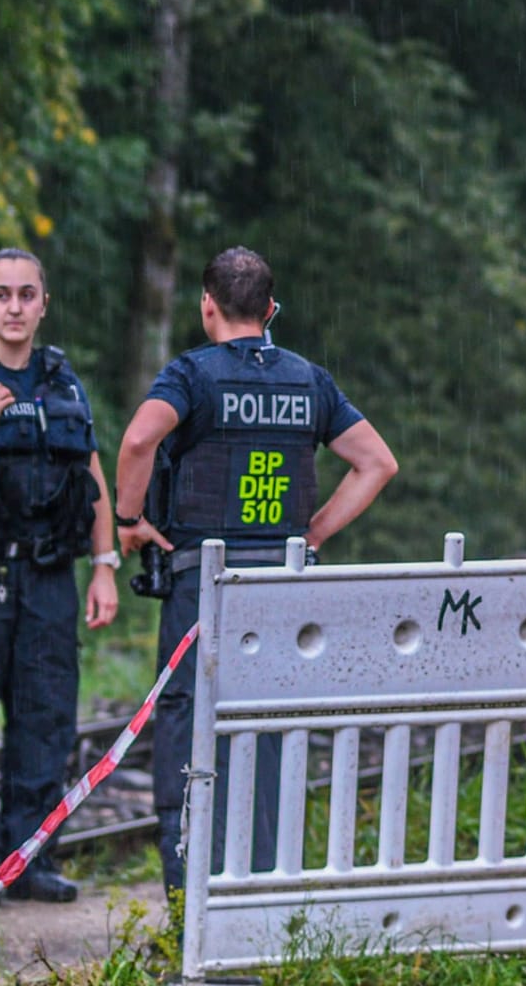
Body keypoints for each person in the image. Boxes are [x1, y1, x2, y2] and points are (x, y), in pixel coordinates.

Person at [115, 247, 398, 894]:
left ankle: (190, 891)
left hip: (202, 588)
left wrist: (130, 521)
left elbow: (137, 441)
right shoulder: (309, 381)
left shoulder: (191, 375)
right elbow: (377, 463)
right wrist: (313, 532)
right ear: (270, 310)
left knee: (191, 729)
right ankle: (258, 882)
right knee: (264, 730)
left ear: (207, 306)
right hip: (278, 591)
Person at [0, 248, 120, 905]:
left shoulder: (61, 380)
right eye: (1, 294)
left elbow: (90, 473)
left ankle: (29, 860)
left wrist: (105, 566)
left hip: (51, 577)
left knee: (46, 720)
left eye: (26, 294)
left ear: (43, 303)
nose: (13, 307)